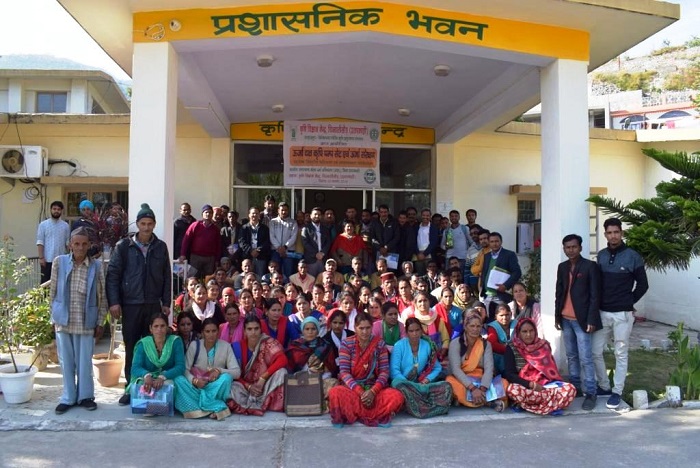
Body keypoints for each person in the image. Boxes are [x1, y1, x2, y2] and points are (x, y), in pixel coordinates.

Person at [106, 203, 171, 407]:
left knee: (152, 347)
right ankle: (131, 387)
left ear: (154, 225)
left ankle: (151, 388)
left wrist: (166, 302)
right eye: (143, 224)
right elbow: (113, 275)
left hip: (152, 305)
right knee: (133, 347)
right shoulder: (124, 247)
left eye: (150, 224)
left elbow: (166, 276)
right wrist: (114, 302)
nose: (146, 227)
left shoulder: (160, 247)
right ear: (137, 224)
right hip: (131, 305)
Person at [592, 218, 648, 409]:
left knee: (621, 353)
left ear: (621, 233)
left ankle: (617, 391)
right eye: (609, 232)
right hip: (602, 312)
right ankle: (604, 386)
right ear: (605, 234)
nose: (613, 236)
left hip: (623, 314)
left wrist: (629, 301)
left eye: (616, 232)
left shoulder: (633, 256)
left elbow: (643, 284)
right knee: (595, 351)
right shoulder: (601, 256)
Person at [50, 227, 108, 414]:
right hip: (64, 320)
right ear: (70, 245)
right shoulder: (59, 262)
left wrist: (101, 322)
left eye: (84, 244)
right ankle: (68, 397)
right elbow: (52, 293)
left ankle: (85, 397)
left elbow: (103, 296)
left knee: (84, 363)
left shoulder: (96, 266)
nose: (80, 247)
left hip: (86, 321)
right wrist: (53, 316)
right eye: (76, 243)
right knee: (66, 362)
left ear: (89, 245)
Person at [327, 313, 405, 427]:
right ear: (355, 328)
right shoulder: (346, 344)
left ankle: (357, 412)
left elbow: (384, 372)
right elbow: (344, 373)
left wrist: (373, 392)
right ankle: (376, 414)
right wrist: (361, 392)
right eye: (361, 328)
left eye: (368, 328)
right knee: (335, 393)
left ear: (372, 327)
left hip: (374, 389)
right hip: (353, 389)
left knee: (396, 396)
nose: (365, 332)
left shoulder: (379, 344)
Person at [555, 233, 601, 411]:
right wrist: (557, 316)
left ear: (580, 248)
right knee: (571, 356)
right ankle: (575, 388)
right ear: (564, 249)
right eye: (567, 247)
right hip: (565, 319)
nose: (571, 250)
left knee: (586, 358)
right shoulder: (562, 267)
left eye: (574, 247)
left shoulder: (590, 266)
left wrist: (591, 319)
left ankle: (591, 392)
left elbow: (595, 295)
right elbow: (559, 293)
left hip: (582, 321)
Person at [504, 318, 577, 415]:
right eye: (524, 332)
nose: (528, 335)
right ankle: (551, 404)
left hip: (545, 386)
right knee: (512, 390)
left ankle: (529, 404)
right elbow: (509, 374)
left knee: (570, 389)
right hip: (526, 386)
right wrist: (531, 385)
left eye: (531, 331)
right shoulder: (512, 347)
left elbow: (551, 371)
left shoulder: (543, 345)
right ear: (518, 333)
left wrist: (544, 386)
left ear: (535, 331)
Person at [174, 318, 241, 420]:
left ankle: (200, 406)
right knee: (178, 380)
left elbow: (237, 372)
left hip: (214, 386)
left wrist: (219, 371)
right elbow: (185, 369)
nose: (211, 334)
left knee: (226, 378)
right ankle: (214, 406)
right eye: (207, 331)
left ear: (218, 332)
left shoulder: (226, 346)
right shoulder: (194, 345)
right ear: (202, 333)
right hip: (196, 387)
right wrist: (194, 381)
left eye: (214, 331)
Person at [390, 317, 453, 419]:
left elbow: (437, 368)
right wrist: (409, 384)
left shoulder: (427, 345)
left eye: (417, 330)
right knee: (397, 383)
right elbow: (394, 371)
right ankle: (425, 405)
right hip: (405, 384)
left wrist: (427, 379)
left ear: (421, 331)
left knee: (447, 386)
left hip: (422, 384)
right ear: (406, 332)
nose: (414, 334)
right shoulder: (399, 346)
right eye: (411, 331)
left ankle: (418, 404)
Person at [446, 311, 508, 412]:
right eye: (472, 326)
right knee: (450, 382)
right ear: (465, 327)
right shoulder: (455, 343)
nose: (475, 329)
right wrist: (473, 389)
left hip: (481, 379)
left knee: (504, 383)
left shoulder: (486, 344)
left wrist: (482, 388)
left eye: (478, 326)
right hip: (462, 380)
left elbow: (489, 369)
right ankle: (489, 402)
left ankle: (469, 400)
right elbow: (456, 370)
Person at [229, 315, 289, 416]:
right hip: (245, 387)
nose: (253, 332)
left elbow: (283, 359)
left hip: (265, 385)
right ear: (244, 331)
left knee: (282, 372)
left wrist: (263, 378)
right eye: (249, 329)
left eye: (256, 329)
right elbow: (234, 373)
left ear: (261, 329)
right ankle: (253, 405)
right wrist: (248, 386)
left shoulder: (268, 342)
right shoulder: (237, 347)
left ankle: (263, 403)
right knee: (231, 385)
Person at [128, 312, 186, 413]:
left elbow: (180, 366)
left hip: (168, 377)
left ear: (167, 327)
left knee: (178, 382)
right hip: (148, 379)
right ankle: (153, 408)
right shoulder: (144, 344)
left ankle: (167, 407)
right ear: (151, 329)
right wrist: (146, 375)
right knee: (142, 384)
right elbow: (135, 367)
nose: (159, 329)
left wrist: (163, 376)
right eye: (156, 326)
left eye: (162, 326)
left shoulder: (175, 341)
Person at [286, 316, 338, 403]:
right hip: (300, 380)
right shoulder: (295, 346)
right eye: (307, 329)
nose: (310, 332)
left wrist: (317, 377)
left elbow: (329, 369)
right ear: (302, 331)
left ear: (317, 330)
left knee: (334, 384)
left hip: (321, 380)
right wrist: (307, 374)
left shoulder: (325, 346)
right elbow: (290, 369)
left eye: (313, 329)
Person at [479, 232, 521, 319]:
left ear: (501, 242)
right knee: (489, 322)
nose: (494, 244)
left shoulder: (509, 255)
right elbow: (485, 272)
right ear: (489, 243)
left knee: (503, 320)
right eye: (492, 241)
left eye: (496, 241)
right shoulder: (487, 256)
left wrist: (505, 285)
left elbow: (517, 272)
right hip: (487, 296)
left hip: (501, 296)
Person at [179, 204, 221, 278]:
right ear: (202, 214)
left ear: (212, 214)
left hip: (210, 258)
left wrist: (217, 259)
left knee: (208, 279)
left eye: (210, 212)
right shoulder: (195, 225)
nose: (208, 214)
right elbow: (186, 240)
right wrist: (183, 254)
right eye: (206, 212)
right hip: (196, 257)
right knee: (192, 277)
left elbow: (218, 245)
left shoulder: (215, 229)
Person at [37, 200, 70, 285]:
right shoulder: (43, 225)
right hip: (47, 260)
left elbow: (67, 243)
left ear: (61, 211)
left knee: (60, 283)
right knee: (45, 284)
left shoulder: (65, 226)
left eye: (58, 209)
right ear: (51, 210)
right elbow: (40, 242)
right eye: (54, 209)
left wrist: (70, 257)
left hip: (61, 260)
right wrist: (41, 258)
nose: (56, 211)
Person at [239, 206, 272, 278]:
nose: (254, 215)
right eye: (253, 213)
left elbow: (267, 241)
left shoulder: (264, 228)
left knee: (260, 277)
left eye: (256, 213)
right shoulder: (244, 228)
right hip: (248, 256)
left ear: (259, 215)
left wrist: (258, 250)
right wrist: (250, 250)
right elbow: (241, 242)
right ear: (249, 215)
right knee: (247, 277)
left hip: (260, 256)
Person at [269, 202, 299, 278]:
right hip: (275, 251)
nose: (284, 212)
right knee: (275, 273)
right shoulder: (273, 222)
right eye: (282, 210)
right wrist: (279, 248)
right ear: (278, 210)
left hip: (289, 251)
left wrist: (285, 247)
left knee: (288, 273)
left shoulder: (293, 222)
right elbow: (272, 236)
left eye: (286, 210)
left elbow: (293, 237)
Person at [323, 309, 355, 378]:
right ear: (330, 323)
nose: (337, 326)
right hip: (333, 373)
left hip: (352, 370)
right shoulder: (325, 340)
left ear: (345, 324)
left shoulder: (352, 335)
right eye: (335, 322)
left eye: (341, 323)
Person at [301, 206, 332, 277]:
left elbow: (328, 242)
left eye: (319, 214)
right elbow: (305, 243)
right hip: (311, 259)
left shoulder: (325, 229)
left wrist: (322, 253)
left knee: (323, 279)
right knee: (311, 279)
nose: (317, 216)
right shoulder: (306, 228)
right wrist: (316, 254)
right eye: (315, 214)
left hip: (323, 259)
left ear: (322, 216)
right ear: (311, 216)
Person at [487, 302, 516, 374]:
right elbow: (492, 344)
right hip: (499, 360)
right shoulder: (492, 327)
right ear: (496, 316)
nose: (504, 318)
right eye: (501, 315)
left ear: (511, 314)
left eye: (507, 315)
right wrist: (509, 350)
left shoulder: (517, 324)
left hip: (517, 355)